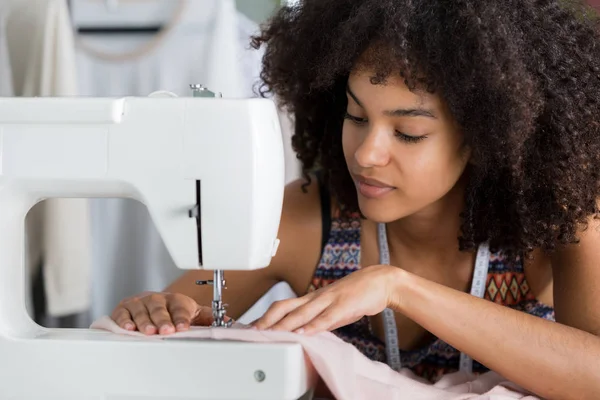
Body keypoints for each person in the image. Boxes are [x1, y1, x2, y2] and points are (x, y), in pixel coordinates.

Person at [110, 0, 600, 397]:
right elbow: (174, 323)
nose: (366, 153)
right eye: (356, 116)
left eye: (407, 133)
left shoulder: (557, 220)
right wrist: (153, 313)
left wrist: (398, 288)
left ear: (484, 137)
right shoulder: (304, 221)